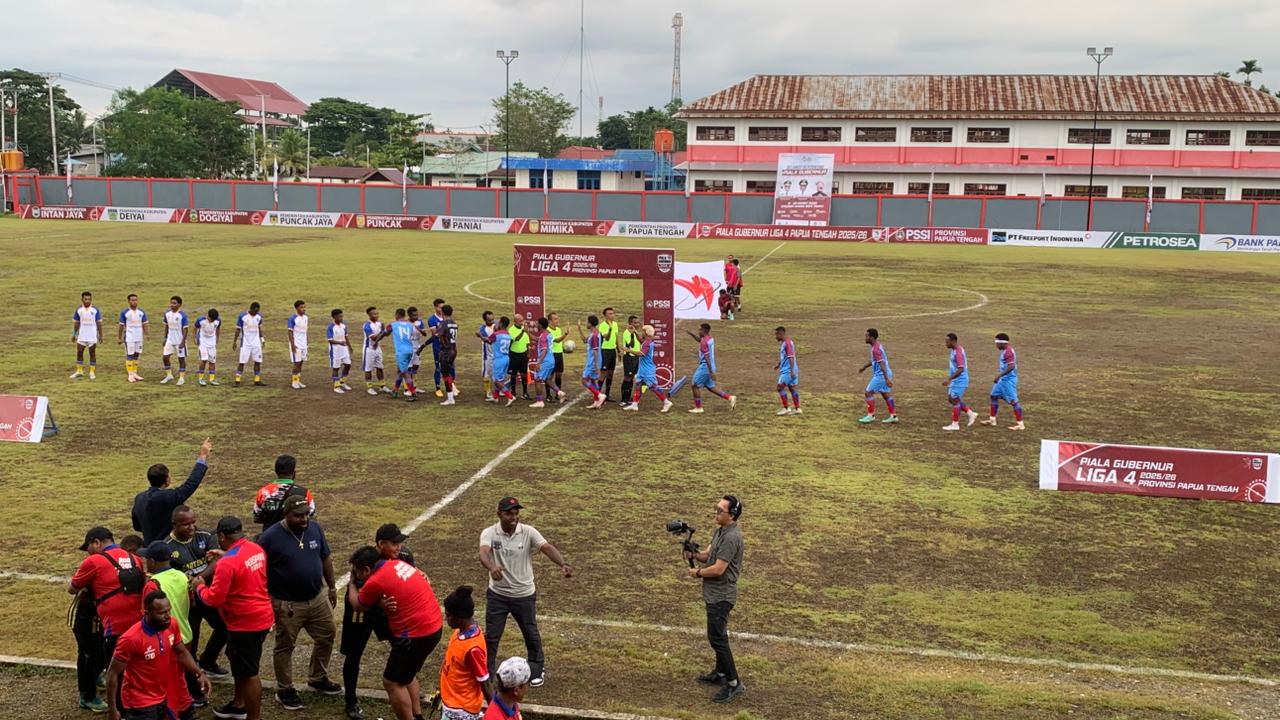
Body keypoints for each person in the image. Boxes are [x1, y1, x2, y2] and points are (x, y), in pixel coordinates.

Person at [257, 495, 340, 710]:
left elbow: (326, 557)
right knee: (285, 645)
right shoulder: (270, 537)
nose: (304, 519)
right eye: (298, 516)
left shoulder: (315, 529)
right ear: (286, 515)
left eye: (306, 515)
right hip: (287, 603)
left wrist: (331, 586)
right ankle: (285, 689)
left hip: (316, 597)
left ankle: (318, 677)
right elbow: (259, 570)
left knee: (327, 634)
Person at [479, 497, 572, 688]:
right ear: (499, 514)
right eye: (509, 513)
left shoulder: (528, 531)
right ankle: (487, 674)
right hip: (498, 595)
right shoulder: (489, 533)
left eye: (516, 513)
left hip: (524, 595)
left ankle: (537, 669)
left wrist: (562, 563)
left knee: (530, 632)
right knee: (492, 637)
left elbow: (546, 547)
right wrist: (491, 566)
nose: (514, 517)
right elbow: (483, 552)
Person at [348, 544, 444, 720]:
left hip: (415, 634)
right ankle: (417, 715)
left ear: (367, 569)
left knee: (392, 682)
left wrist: (352, 584)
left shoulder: (375, 581)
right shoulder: (396, 564)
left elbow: (358, 605)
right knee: (406, 676)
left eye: (357, 571)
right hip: (433, 625)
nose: (357, 575)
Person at [194, 516, 273, 720]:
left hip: (244, 624)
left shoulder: (227, 564)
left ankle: (252, 716)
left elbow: (214, 599)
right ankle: (239, 705)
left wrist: (199, 587)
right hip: (261, 616)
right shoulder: (255, 549)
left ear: (221, 536)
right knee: (238, 660)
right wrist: (225, 554)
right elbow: (242, 563)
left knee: (249, 673)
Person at [340, 524, 415, 720]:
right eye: (394, 543)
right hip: (363, 611)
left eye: (400, 542)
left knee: (402, 646)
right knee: (354, 654)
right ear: (381, 545)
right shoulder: (365, 559)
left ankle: (407, 688)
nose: (398, 547)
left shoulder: (403, 557)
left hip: (386, 611)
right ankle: (351, 701)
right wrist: (379, 601)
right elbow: (356, 591)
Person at [70, 526, 146, 713]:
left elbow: (72, 587)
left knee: (96, 658)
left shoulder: (94, 561)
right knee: (122, 661)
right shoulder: (134, 558)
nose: (87, 552)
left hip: (109, 624)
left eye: (88, 546)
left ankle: (100, 700)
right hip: (136, 623)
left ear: (96, 542)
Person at [104, 591, 210, 720]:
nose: (168, 616)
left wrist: (199, 672)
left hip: (162, 695)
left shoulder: (172, 625)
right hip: (139, 702)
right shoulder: (130, 639)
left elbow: (181, 652)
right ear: (147, 613)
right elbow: (113, 673)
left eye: (169, 611)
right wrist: (112, 709)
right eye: (162, 613)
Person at [686, 495, 746, 704]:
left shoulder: (731, 538)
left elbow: (718, 569)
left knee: (717, 639)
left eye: (720, 510)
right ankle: (721, 673)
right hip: (714, 594)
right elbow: (708, 557)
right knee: (717, 635)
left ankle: (733, 683)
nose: (716, 512)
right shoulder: (719, 531)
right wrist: (694, 554)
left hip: (721, 596)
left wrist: (698, 573)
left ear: (731, 515)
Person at [141, 541, 207, 709]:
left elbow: (146, 616)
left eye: (146, 559)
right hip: (186, 633)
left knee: (172, 679)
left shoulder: (153, 584)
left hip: (168, 639)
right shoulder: (182, 576)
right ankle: (193, 700)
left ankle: (178, 708)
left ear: (152, 561)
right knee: (183, 674)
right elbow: (192, 603)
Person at [166, 506, 229, 681]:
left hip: (207, 593)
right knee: (190, 638)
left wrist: (199, 578)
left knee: (224, 627)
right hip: (189, 601)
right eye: (186, 524)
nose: (192, 527)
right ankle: (192, 677)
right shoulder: (168, 547)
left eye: (193, 522)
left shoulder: (206, 536)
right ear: (174, 525)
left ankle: (208, 661)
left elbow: (218, 561)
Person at [131, 439, 213, 545]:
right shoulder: (168, 497)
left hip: (150, 547)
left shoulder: (139, 498)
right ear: (166, 480)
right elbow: (191, 484)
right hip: (170, 548)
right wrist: (202, 456)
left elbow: (137, 526)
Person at [437, 586, 490, 720]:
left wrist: (496, 711)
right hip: (451, 701)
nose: (445, 618)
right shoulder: (458, 633)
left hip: (460, 710)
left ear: (459, 617)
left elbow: (484, 682)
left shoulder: (472, 649)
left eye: (448, 615)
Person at [71, 541, 108, 712]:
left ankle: (96, 675)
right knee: (88, 655)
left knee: (100, 651)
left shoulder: (103, 564)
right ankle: (87, 696)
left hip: (99, 621)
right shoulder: (93, 566)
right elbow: (73, 588)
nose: (88, 553)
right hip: (87, 621)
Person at [253, 454, 315, 531]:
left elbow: (257, 517)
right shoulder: (305, 493)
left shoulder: (263, 492)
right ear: (294, 473)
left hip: (270, 536)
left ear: (276, 472)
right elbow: (311, 515)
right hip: (296, 536)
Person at [685, 323, 736, 414]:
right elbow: (700, 340)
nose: (698, 331)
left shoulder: (704, 342)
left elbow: (707, 357)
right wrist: (692, 334)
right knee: (710, 387)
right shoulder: (709, 339)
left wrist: (711, 372)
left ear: (703, 331)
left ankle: (698, 407)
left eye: (699, 330)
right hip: (712, 365)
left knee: (694, 385)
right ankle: (730, 397)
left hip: (705, 366)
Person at [622, 324, 672, 413]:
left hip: (647, 370)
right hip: (643, 369)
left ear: (646, 332)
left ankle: (666, 402)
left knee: (653, 387)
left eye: (642, 331)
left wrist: (628, 350)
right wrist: (635, 332)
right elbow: (641, 341)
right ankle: (635, 404)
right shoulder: (648, 341)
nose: (642, 333)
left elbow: (641, 354)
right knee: (638, 385)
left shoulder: (647, 343)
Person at [981, 333, 1025, 431]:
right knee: (993, 396)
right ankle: (992, 419)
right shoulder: (1006, 350)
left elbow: (1011, 366)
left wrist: (1000, 375)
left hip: (1008, 380)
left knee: (1014, 401)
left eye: (997, 343)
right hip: (1003, 380)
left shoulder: (1008, 352)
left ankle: (1020, 424)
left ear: (1002, 343)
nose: (996, 346)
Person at [858, 328, 897, 424]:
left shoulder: (875, 349)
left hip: (881, 376)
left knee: (868, 393)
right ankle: (893, 416)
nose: (865, 338)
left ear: (871, 337)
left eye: (867, 336)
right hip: (885, 373)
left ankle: (870, 416)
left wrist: (886, 379)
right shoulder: (877, 346)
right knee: (885, 395)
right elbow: (873, 361)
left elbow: (882, 364)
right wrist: (864, 367)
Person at [942, 333, 978, 431]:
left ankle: (955, 424)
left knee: (955, 400)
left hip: (960, 380)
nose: (946, 344)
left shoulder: (958, 352)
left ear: (953, 341)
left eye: (947, 342)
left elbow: (961, 369)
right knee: (951, 398)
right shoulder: (954, 350)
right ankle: (971, 413)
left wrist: (949, 379)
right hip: (956, 379)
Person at [427, 304, 460, 406]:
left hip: (446, 351)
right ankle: (452, 392)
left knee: (445, 374)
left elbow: (436, 336)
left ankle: (450, 398)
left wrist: (423, 345)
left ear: (443, 313)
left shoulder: (444, 323)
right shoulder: (454, 324)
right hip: (454, 350)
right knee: (448, 372)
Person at [390, 308, 424, 400]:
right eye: (414, 315)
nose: (416, 316)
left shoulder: (405, 325)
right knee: (401, 371)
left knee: (405, 372)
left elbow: (423, 333)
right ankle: (398, 390)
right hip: (410, 350)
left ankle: (412, 392)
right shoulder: (408, 325)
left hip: (404, 351)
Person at [528, 317, 560, 409]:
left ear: (540, 325)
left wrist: (539, 362)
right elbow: (537, 339)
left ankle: (539, 401)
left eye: (538, 324)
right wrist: (527, 332)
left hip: (545, 361)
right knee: (548, 379)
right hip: (551, 360)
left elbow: (544, 350)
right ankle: (560, 393)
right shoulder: (548, 334)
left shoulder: (543, 336)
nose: (536, 325)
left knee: (537, 379)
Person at [117, 293, 149, 383]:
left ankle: (135, 373)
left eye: (136, 300)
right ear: (128, 301)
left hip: (139, 337)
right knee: (130, 355)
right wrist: (119, 338)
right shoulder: (125, 313)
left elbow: (145, 323)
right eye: (132, 300)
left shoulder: (141, 312)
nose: (134, 302)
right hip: (129, 337)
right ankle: (130, 375)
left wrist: (146, 334)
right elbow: (121, 326)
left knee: (137, 355)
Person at [71, 290, 103, 380]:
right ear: (82, 299)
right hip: (82, 335)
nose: (88, 301)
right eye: (86, 299)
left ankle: (92, 372)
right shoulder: (79, 310)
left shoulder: (95, 310)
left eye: (89, 299)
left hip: (92, 336)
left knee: (92, 353)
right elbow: (76, 323)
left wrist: (100, 335)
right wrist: (74, 334)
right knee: (79, 352)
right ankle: (79, 371)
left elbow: (99, 323)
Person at [233, 302, 265, 387]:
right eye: (255, 311)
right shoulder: (242, 316)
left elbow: (259, 328)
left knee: (257, 361)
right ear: (252, 309)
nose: (256, 313)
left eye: (258, 311)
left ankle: (257, 380)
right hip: (246, 343)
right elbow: (238, 330)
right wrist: (235, 341)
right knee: (242, 362)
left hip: (256, 342)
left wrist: (262, 339)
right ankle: (237, 380)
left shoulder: (259, 317)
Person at [486, 317, 516, 407]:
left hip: (498, 359)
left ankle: (510, 396)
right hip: (506, 358)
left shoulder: (496, 334)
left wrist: (480, 336)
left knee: (496, 381)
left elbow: (488, 340)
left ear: (501, 324)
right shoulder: (508, 334)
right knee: (501, 379)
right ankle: (495, 397)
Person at [578, 315, 606, 409]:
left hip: (593, 361)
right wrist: (579, 329)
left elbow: (595, 350)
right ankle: (596, 402)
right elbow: (585, 340)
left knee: (584, 380)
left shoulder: (594, 336)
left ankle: (599, 395)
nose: (586, 324)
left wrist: (595, 365)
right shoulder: (594, 333)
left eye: (587, 322)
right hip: (594, 361)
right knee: (593, 380)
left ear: (590, 323)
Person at [160, 295, 189, 386]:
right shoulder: (167, 314)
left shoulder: (182, 315)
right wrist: (165, 338)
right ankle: (169, 375)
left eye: (174, 303)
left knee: (181, 359)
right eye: (171, 303)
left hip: (179, 341)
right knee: (165, 357)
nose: (172, 305)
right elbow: (166, 326)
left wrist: (183, 342)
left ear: (179, 304)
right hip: (170, 339)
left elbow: (185, 329)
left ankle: (181, 377)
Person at [362, 306, 391, 395]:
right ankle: (369, 387)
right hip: (369, 349)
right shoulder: (367, 326)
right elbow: (374, 338)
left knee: (380, 367)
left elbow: (385, 335)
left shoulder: (379, 324)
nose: (376, 315)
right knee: (368, 369)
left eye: (377, 313)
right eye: (374, 314)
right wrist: (384, 331)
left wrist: (388, 331)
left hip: (377, 348)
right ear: (369, 315)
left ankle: (382, 386)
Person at [774, 327, 800, 416]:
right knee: (792, 389)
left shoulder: (787, 344)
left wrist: (791, 371)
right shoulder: (786, 343)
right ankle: (797, 408)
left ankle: (786, 408)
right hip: (792, 370)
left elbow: (791, 357)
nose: (775, 337)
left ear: (781, 334)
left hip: (788, 371)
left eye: (776, 334)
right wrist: (778, 364)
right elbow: (785, 357)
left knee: (779, 388)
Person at [618, 315, 642, 406]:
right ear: (630, 323)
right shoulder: (627, 333)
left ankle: (628, 398)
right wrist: (632, 334)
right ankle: (623, 399)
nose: (637, 324)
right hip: (629, 358)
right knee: (627, 377)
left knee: (631, 377)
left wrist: (635, 332)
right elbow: (630, 344)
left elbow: (640, 341)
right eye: (635, 323)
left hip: (635, 358)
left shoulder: (636, 332)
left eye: (638, 322)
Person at [328, 308, 353, 394]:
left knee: (348, 365)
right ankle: (336, 386)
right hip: (335, 350)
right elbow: (330, 340)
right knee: (336, 368)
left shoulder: (343, 326)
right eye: (339, 317)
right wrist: (339, 342)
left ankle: (342, 382)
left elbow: (346, 336)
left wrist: (349, 346)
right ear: (334, 317)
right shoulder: (331, 327)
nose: (341, 318)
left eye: (342, 316)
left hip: (344, 349)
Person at [194, 309, 221, 386]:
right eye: (210, 319)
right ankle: (201, 379)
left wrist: (217, 338)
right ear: (208, 315)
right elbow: (195, 328)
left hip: (212, 343)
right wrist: (195, 338)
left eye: (213, 320)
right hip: (203, 342)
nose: (211, 321)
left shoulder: (218, 321)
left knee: (212, 361)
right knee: (204, 359)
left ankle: (212, 379)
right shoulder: (201, 320)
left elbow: (218, 328)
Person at [507, 313, 531, 400]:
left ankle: (525, 393)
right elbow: (516, 339)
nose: (522, 322)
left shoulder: (523, 329)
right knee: (513, 374)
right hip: (514, 354)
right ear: (515, 321)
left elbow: (527, 340)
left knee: (524, 374)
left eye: (522, 320)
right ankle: (513, 392)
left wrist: (528, 351)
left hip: (523, 354)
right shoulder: (511, 330)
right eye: (520, 320)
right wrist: (523, 331)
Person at [598, 307, 619, 401]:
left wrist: (618, 350)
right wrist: (610, 330)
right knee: (603, 373)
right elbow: (606, 338)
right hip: (604, 351)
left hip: (612, 351)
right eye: (610, 314)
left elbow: (616, 337)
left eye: (613, 313)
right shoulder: (602, 326)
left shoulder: (615, 324)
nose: (612, 315)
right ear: (605, 316)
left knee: (610, 373)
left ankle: (607, 394)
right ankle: (597, 395)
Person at [287, 299, 309, 390]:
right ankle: (294, 382)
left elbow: (305, 331)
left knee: (301, 362)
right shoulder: (293, 319)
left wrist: (306, 342)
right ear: (296, 308)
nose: (303, 309)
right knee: (297, 363)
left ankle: (298, 380)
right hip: (296, 344)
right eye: (301, 307)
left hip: (304, 343)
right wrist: (292, 344)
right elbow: (290, 332)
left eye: (304, 307)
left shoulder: (306, 318)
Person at [427, 298, 447, 397]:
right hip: (438, 347)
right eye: (440, 307)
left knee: (449, 366)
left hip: (447, 347)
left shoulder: (446, 318)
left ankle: (451, 384)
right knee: (438, 367)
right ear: (435, 307)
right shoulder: (432, 319)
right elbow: (435, 333)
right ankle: (438, 388)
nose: (442, 309)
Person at [407, 306, 427, 394]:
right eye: (414, 315)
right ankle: (407, 389)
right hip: (408, 347)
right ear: (409, 315)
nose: (416, 317)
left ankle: (414, 387)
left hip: (417, 347)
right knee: (408, 368)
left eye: (417, 315)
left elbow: (425, 334)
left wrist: (419, 328)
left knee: (416, 366)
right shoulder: (405, 324)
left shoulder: (419, 322)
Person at [477, 311, 496, 400]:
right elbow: (488, 340)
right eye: (489, 320)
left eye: (492, 319)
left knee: (497, 373)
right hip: (487, 355)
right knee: (486, 373)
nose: (492, 321)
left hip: (496, 354)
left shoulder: (496, 326)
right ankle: (488, 392)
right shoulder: (483, 329)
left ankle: (498, 390)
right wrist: (481, 336)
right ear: (485, 320)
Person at [548, 312, 566, 399]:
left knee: (559, 374)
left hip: (559, 354)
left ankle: (558, 394)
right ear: (550, 321)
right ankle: (548, 395)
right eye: (555, 319)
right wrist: (565, 335)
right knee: (550, 376)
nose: (557, 321)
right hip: (552, 354)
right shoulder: (548, 330)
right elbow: (557, 340)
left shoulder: (558, 329)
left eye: (557, 319)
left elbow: (560, 343)